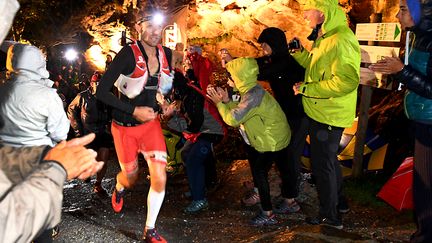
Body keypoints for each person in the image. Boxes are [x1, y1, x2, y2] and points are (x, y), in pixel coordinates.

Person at [96, 14, 175, 242]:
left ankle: (150, 230)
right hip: (125, 127)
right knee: (131, 178)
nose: (155, 31)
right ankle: (120, 187)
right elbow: (101, 92)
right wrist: (133, 111)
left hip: (151, 126)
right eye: (149, 25)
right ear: (138, 26)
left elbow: (165, 87)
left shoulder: (165, 54)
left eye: (158, 26)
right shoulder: (127, 54)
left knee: (159, 176)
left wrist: (165, 102)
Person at [291, 0, 361, 229]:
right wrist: (301, 55)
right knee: (328, 162)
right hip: (322, 111)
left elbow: (347, 80)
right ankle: (339, 204)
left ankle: (330, 217)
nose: (304, 17)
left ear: (321, 13)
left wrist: (307, 89)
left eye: (307, 11)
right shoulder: (326, 37)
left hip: (329, 114)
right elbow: (317, 69)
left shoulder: (341, 39)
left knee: (323, 166)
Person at [369, 0, 432, 241]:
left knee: (426, 186)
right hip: (421, 117)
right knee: (423, 184)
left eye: (403, 9)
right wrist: (395, 71)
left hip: (429, 122)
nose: (396, 14)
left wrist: (402, 71)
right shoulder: (418, 36)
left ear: (422, 12)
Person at [207, 57, 293, 226]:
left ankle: (268, 213)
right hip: (276, 136)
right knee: (283, 169)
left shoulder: (252, 95)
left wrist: (219, 104)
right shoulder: (252, 91)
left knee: (260, 172)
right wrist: (226, 101)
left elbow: (233, 119)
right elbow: (241, 114)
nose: (228, 80)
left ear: (241, 78)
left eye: (231, 76)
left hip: (271, 140)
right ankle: (290, 202)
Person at [164, 49, 225, 214]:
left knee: (193, 159)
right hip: (204, 129)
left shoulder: (191, 93)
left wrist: (180, 127)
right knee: (186, 153)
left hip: (210, 131)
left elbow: (195, 121)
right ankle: (201, 185)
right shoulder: (187, 92)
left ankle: (200, 199)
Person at [0, 42, 70, 147]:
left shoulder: (2, 91)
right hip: (37, 155)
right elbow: (60, 134)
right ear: (38, 62)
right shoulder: (48, 95)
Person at [67, 72, 112, 195]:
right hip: (87, 132)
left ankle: (98, 184)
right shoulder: (82, 96)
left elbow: (114, 112)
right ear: (92, 84)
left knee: (103, 159)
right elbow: (71, 110)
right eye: (98, 83)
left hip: (102, 132)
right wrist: (78, 130)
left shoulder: (108, 97)